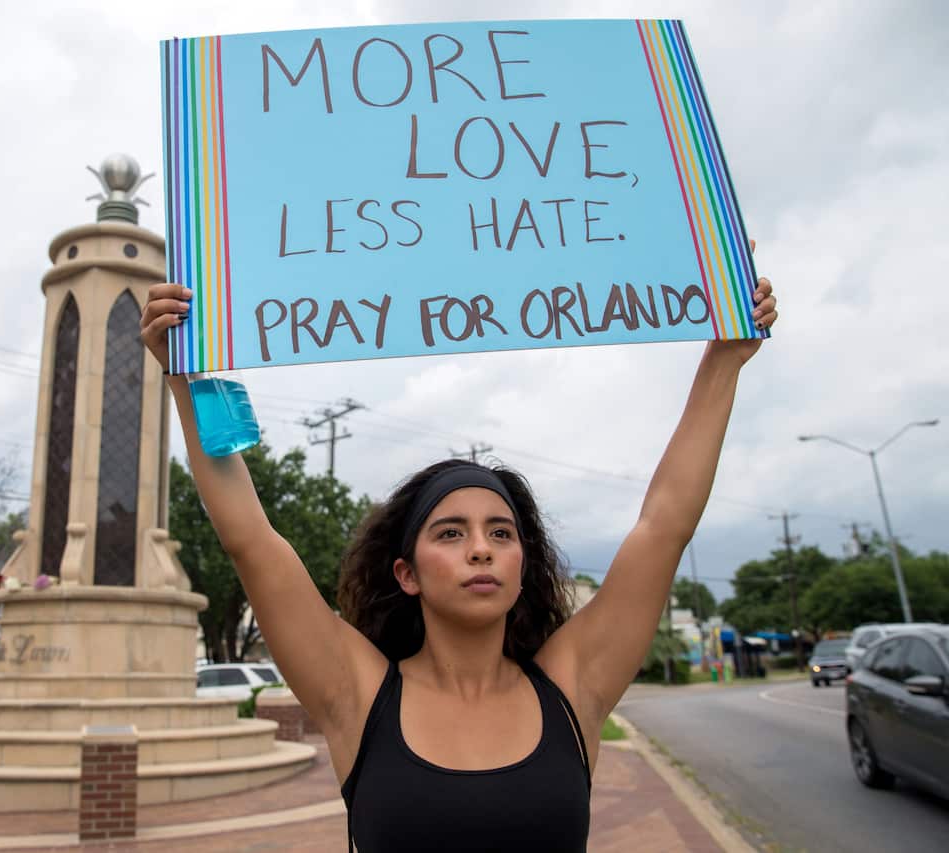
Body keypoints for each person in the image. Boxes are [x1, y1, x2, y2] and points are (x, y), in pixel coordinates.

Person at [139, 271, 777, 851]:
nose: (481, 547)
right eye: (450, 533)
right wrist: (182, 374)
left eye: (501, 533)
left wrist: (725, 358)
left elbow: (663, 527)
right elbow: (251, 539)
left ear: (522, 564)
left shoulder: (573, 685)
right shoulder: (355, 692)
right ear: (406, 573)